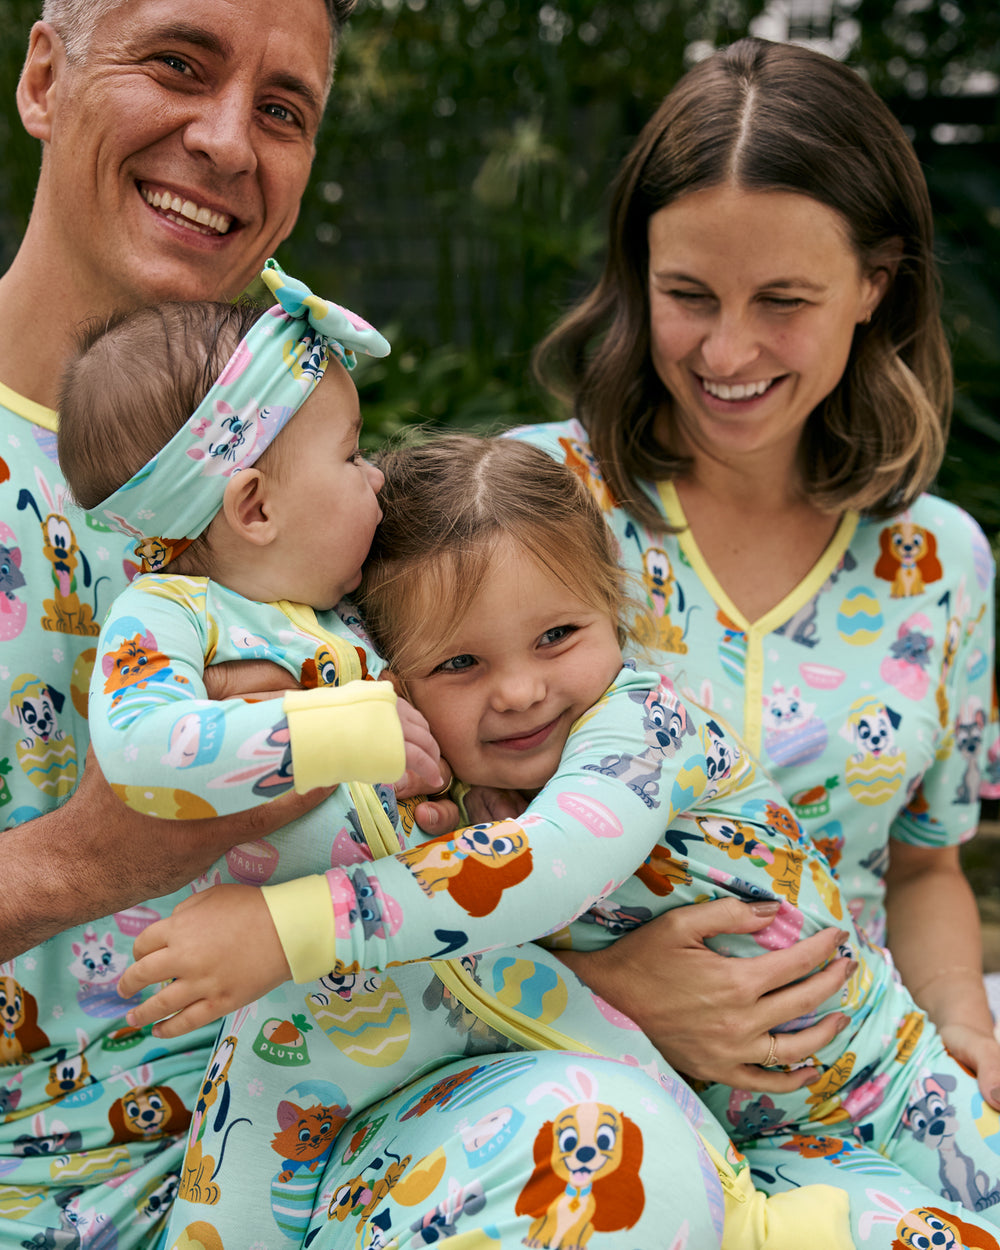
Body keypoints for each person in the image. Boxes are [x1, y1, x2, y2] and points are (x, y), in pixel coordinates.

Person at [58, 287, 842, 1249]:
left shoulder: (341, 612)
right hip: (295, 994)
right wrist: (342, 729)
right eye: (351, 458)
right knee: (244, 1195)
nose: (376, 482)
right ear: (254, 505)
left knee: (613, 1063)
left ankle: (754, 1222)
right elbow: (140, 746)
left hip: (435, 959)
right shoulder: (173, 610)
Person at [115, 432, 1000, 1248]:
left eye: (557, 636)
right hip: (743, 1142)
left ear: (612, 614)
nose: (521, 691)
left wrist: (287, 928)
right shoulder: (437, 799)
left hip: (883, 1087)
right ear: (396, 683)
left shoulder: (644, 727)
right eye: (461, 664)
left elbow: (545, 867)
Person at [506, 34, 1000, 1108]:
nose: (726, 354)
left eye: (782, 299)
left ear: (874, 283)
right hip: (573, 1101)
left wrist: (959, 1022)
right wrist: (601, 990)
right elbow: (409, 852)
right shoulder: (528, 507)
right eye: (688, 293)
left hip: (860, 1111)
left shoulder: (942, 563)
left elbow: (922, 865)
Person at [0, 2, 398, 1244]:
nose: (228, 142)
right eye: (178, 64)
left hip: (350, 1130)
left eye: (282, 110)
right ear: (46, 76)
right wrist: (92, 858)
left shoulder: (307, 403)